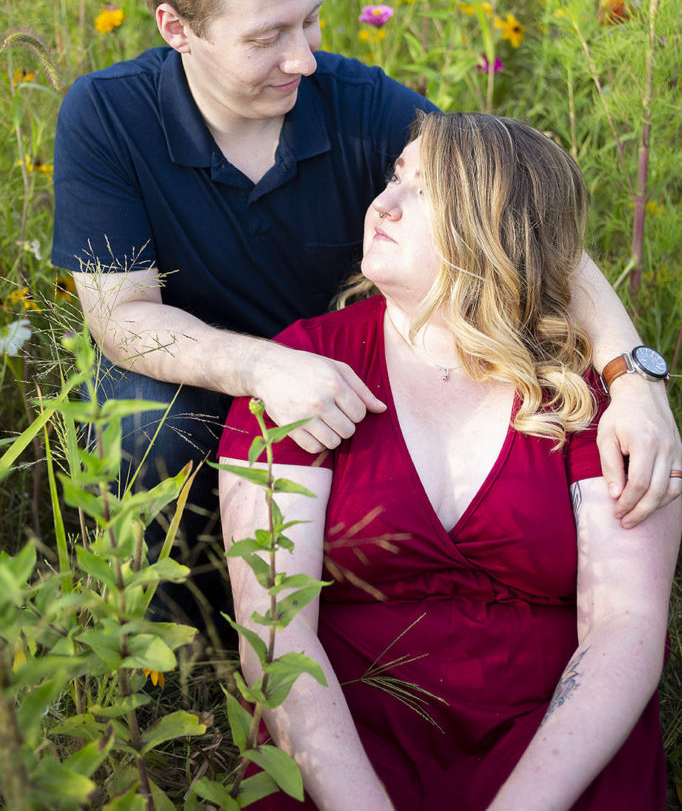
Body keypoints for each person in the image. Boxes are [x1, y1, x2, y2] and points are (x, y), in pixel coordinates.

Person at [52, 0, 680, 629]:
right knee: (137, 421)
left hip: (353, 401)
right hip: (207, 386)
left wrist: (632, 379)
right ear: (177, 28)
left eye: (309, 22)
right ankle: (180, 645)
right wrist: (264, 367)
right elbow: (122, 320)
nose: (304, 60)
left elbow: (519, 222)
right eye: (266, 38)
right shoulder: (108, 116)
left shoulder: (358, 104)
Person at [218, 111, 682, 811]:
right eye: (394, 177)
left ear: (498, 230)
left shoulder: (593, 397)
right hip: (345, 738)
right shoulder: (304, 368)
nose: (385, 202)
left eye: (426, 189)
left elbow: (627, 628)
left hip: (556, 744)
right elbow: (273, 626)